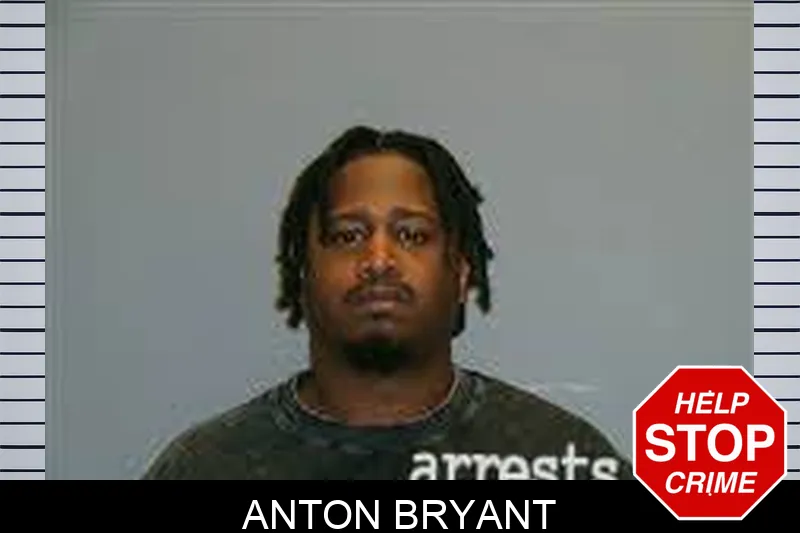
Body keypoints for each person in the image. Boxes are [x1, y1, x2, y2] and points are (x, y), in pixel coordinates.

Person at [143, 125, 632, 480]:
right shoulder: (206, 468)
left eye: (412, 234)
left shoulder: (564, 461)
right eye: (348, 235)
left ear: (461, 273)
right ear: (303, 274)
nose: (378, 260)